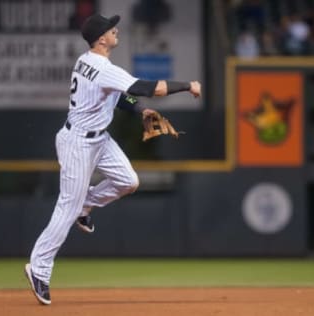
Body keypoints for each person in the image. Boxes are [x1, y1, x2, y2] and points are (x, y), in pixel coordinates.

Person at [24, 13, 201, 305]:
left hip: (99, 139)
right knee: (66, 208)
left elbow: (119, 96)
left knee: (128, 181)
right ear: (100, 38)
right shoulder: (101, 67)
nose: (115, 30)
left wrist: (140, 110)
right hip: (78, 143)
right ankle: (39, 269)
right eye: (110, 28)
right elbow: (150, 88)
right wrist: (188, 85)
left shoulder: (87, 62)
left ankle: (86, 205)